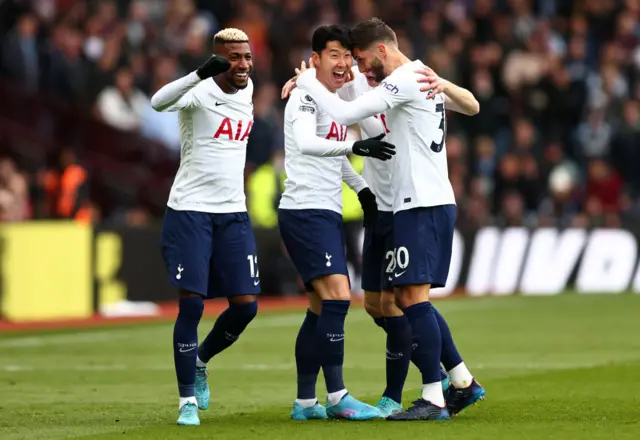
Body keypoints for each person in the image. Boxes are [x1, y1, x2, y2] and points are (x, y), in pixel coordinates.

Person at [295, 18, 485, 421]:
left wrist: (306, 81)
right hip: (408, 201)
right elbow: (471, 104)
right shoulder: (420, 75)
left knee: (412, 300)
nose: (360, 69)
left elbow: (346, 110)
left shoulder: (402, 80)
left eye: (361, 59)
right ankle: (461, 381)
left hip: (422, 201)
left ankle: (434, 397)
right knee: (399, 300)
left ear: (381, 50)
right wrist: (446, 85)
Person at [279, 24, 395, 421]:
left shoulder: (327, 97)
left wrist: (361, 189)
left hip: (324, 208)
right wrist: (357, 144)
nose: (344, 63)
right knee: (339, 296)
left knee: (318, 307)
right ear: (315, 60)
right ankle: (338, 396)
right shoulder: (304, 98)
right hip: (305, 209)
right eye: (334, 55)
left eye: (348, 56)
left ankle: (305, 402)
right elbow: (310, 144)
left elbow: (332, 153)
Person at [151, 28, 260, 427]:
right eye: (234, 57)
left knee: (246, 307)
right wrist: (198, 74)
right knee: (192, 304)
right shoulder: (196, 92)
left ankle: (200, 360)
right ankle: (185, 403)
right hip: (191, 211)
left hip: (233, 213)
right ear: (217, 59)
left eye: (247, 57)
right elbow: (157, 102)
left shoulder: (247, 91)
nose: (243, 64)